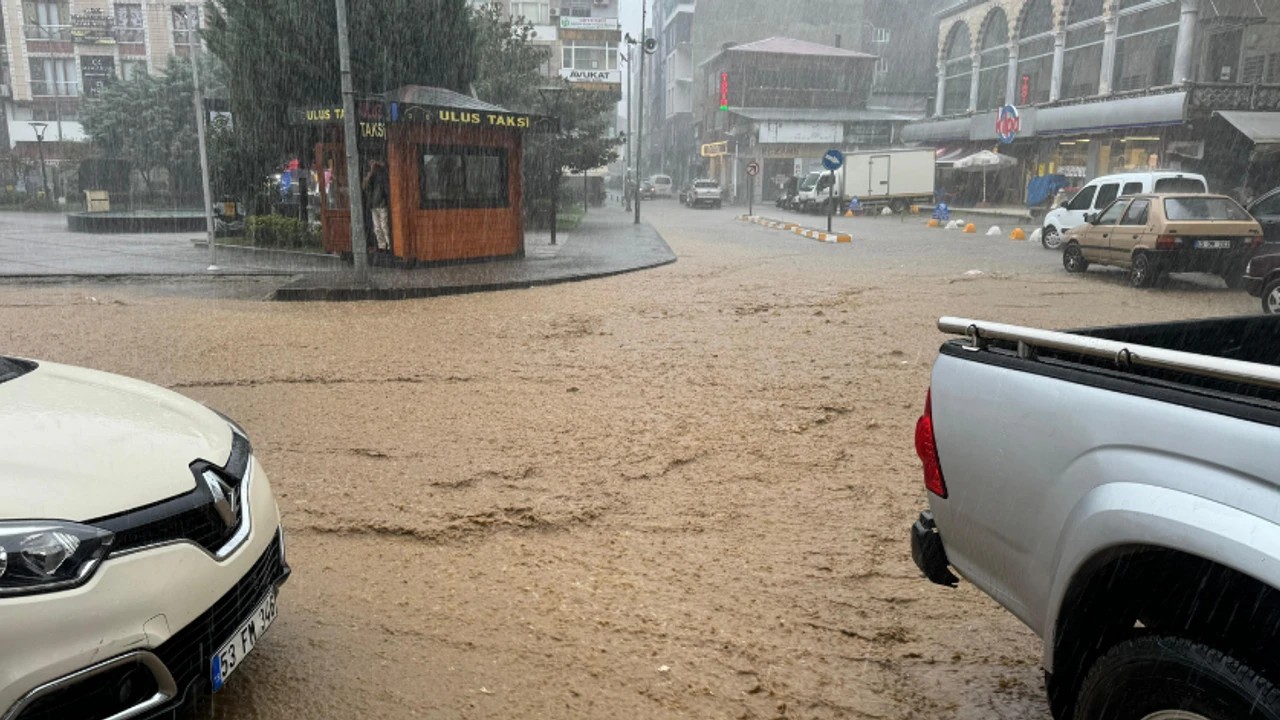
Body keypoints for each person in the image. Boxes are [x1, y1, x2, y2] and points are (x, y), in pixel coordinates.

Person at [362, 160, 391, 253]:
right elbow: (364, 186)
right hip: (374, 204)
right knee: (377, 227)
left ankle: (389, 245)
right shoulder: (370, 176)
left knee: (384, 225)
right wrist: (370, 173)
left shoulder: (382, 174)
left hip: (381, 203)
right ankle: (382, 246)